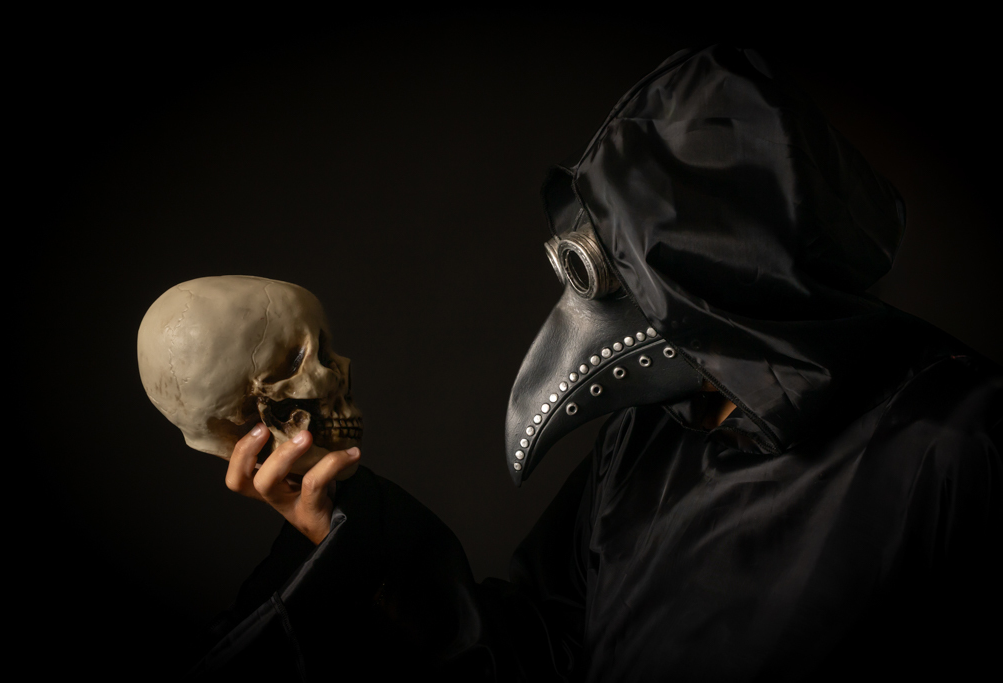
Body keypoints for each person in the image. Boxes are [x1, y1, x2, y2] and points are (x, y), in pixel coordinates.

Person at [192, 45, 1002, 681]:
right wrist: (351, 531)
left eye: (630, 266)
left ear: (731, 269)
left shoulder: (958, 444)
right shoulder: (653, 431)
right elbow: (542, 651)